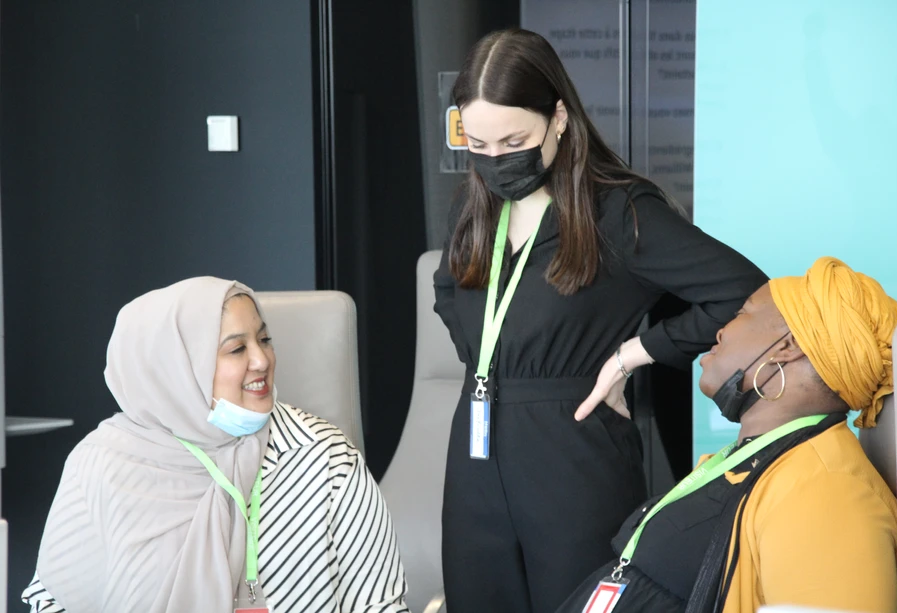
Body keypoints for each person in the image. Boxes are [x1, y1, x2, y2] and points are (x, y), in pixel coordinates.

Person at [433, 28, 768, 613]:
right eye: (479, 147)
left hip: (573, 450)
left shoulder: (618, 212)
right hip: (476, 453)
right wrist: (498, 361)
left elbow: (746, 293)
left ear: (559, 117)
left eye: (513, 140)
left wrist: (634, 353)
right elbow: (448, 289)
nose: (494, 161)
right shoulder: (478, 206)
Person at [22, 277, 410, 613]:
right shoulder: (103, 463)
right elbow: (52, 600)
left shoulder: (323, 457)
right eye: (237, 349)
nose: (261, 360)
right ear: (175, 368)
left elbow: (380, 604)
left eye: (264, 339)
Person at [556, 256, 897, 613]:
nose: (721, 330)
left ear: (788, 346)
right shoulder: (760, 458)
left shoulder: (829, 492)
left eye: (743, 312)